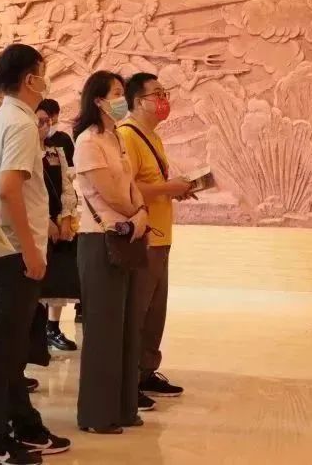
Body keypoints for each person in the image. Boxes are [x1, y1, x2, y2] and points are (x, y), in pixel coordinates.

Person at [0, 44, 71, 464]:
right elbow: (9, 188)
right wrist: (30, 251)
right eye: (43, 73)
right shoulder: (19, 123)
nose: (45, 80)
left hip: (4, 247)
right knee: (4, 348)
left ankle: (23, 425)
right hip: (14, 250)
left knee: (10, 346)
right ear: (30, 79)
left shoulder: (0, 120)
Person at [72, 71, 150, 434]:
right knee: (103, 328)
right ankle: (97, 414)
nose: (122, 99)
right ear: (99, 101)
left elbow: (129, 185)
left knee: (127, 326)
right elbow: (109, 193)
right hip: (100, 238)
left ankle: (123, 408)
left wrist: (141, 211)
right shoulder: (88, 141)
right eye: (117, 93)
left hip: (128, 233)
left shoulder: (115, 137)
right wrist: (136, 213)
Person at [118, 73, 189, 408]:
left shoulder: (153, 137)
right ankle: (128, 379)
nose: (164, 100)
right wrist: (167, 188)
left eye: (165, 93)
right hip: (143, 236)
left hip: (162, 235)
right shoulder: (127, 135)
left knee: (154, 312)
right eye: (157, 94)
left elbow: (153, 185)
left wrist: (174, 190)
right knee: (137, 310)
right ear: (137, 101)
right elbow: (126, 188)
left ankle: (146, 371)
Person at [35, 101, 79, 351]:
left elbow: (66, 185)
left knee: (58, 276)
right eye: (40, 121)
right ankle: (35, 330)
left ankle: (53, 327)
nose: (45, 126)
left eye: (48, 121)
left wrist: (65, 217)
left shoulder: (56, 151)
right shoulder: (24, 152)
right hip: (36, 225)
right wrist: (45, 222)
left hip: (59, 222)